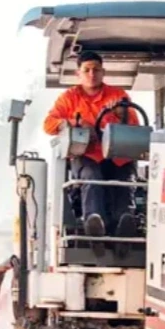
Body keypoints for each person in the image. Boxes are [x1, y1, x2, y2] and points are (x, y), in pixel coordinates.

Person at [43, 50, 141, 239]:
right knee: (90, 176)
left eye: (96, 70)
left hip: (117, 155)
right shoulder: (69, 98)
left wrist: (122, 115)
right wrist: (72, 123)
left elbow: (135, 126)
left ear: (102, 73)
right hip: (87, 155)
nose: (91, 74)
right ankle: (94, 222)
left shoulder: (118, 95)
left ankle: (125, 222)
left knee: (125, 178)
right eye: (87, 70)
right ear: (78, 74)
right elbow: (48, 124)